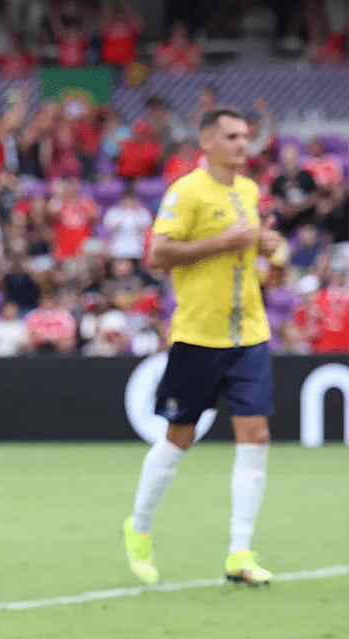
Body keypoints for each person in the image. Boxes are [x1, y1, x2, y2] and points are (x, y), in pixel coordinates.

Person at [124, 109, 286, 588]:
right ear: (208, 141)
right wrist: (225, 241)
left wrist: (266, 252)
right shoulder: (186, 192)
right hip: (198, 336)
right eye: (233, 136)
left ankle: (240, 552)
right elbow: (157, 256)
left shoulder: (249, 190)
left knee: (255, 434)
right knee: (180, 437)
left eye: (246, 137)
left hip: (248, 333)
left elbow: (248, 254)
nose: (242, 144)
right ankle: (139, 526)